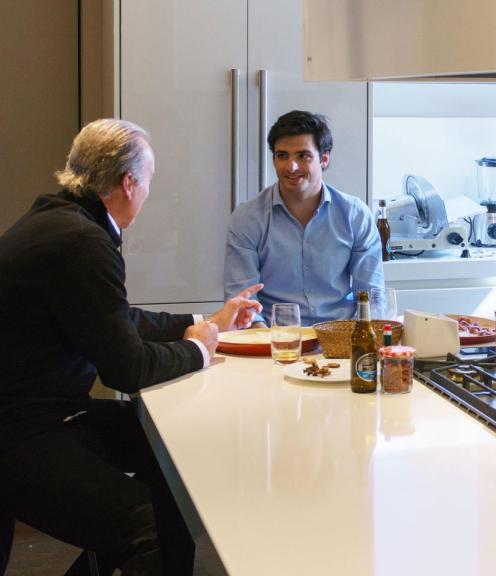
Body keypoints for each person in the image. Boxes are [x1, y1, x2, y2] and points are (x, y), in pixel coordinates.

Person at [0, 118, 262, 575]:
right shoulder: (82, 241)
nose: (148, 194)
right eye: (149, 182)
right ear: (129, 182)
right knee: (148, 526)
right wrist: (200, 351)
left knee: (172, 456)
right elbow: (128, 369)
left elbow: (114, 320)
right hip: (22, 431)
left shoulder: (60, 222)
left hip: (39, 411)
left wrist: (207, 321)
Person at [224, 110, 384, 327]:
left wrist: (357, 341)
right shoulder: (248, 218)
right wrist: (266, 344)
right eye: (282, 156)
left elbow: (372, 298)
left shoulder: (355, 215)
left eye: (303, 156)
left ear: (324, 159)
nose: (291, 167)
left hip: (341, 336)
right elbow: (243, 302)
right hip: (274, 339)